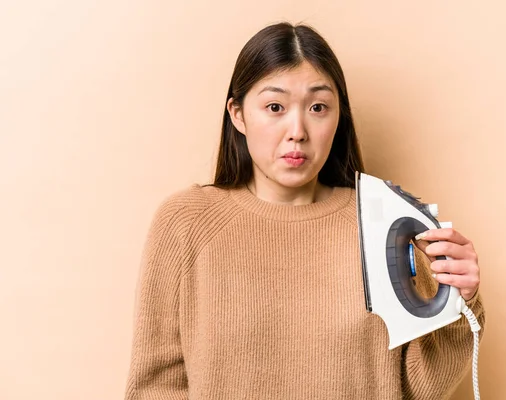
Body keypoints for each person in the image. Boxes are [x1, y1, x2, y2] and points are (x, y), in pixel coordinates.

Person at [124, 22, 485, 400]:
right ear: (238, 114)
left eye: (318, 107)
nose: (297, 130)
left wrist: (459, 302)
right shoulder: (187, 221)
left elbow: (417, 391)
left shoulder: (383, 223)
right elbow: (155, 385)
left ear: (338, 116)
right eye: (275, 107)